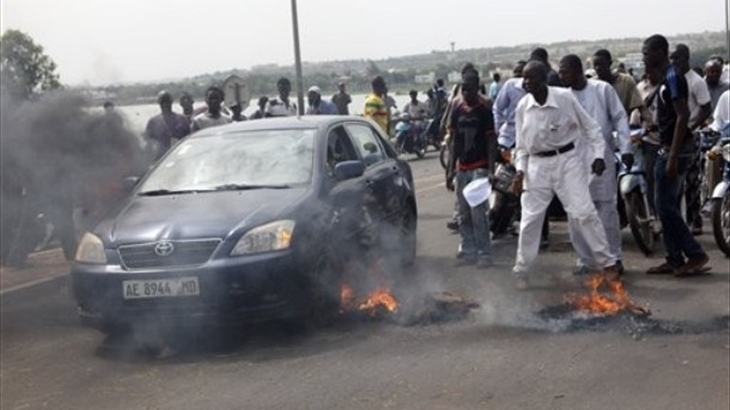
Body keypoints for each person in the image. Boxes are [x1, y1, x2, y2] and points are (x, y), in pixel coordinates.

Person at [510, 61, 618, 290]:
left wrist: (598, 155)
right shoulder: (522, 107)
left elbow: (591, 128)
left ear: (544, 79)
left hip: (567, 161)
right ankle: (522, 269)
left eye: (532, 78)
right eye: (525, 79)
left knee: (584, 213)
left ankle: (607, 263)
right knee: (530, 219)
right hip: (536, 166)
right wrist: (520, 171)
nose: (527, 83)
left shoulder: (565, 98)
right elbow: (520, 146)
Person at [559, 54, 632, 276]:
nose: (561, 76)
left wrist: (626, 148)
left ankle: (614, 257)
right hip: (572, 161)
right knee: (576, 212)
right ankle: (586, 260)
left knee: (606, 209)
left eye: (565, 71)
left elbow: (620, 118)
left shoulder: (602, 90)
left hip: (602, 158)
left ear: (578, 70)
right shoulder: (562, 97)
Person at [642, 34, 709, 276]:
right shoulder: (666, 79)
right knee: (666, 206)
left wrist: (672, 156)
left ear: (660, 52)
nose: (644, 56)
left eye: (647, 51)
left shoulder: (673, 77)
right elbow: (672, 117)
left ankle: (695, 254)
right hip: (669, 146)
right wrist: (656, 128)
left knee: (666, 207)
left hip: (675, 151)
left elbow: (682, 116)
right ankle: (674, 259)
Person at [445, 71, 496, 269]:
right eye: (463, 89)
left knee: (478, 213)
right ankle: (468, 251)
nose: (466, 93)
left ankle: (484, 253)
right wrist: (450, 170)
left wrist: (491, 169)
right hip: (463, 168)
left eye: (470, 89)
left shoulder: (484, 110)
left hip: (479, 168)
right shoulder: (457, 111)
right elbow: (454, 144)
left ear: (478, 89)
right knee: (463, 213)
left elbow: (491, 141)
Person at [670, 44, 712, 235]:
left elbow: (705, 108)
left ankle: (695, 221)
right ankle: (676, 221)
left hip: (691, 137)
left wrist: (691, 126)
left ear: (686, 58)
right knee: (674, 182)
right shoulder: (671, 78)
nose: (674, 62)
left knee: (692, 182)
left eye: (677, 58)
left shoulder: (696, 81)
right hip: (673, 135)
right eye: (672, 58)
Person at [592, 49, 644, 117]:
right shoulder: (592, 84)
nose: (597, 68)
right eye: (595, 65)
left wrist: (649, 121)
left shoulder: (625, 81)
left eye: (601, 64)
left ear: (610, 63)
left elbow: (639, 105)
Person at [144, 91, 191, 160]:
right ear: (159, 103)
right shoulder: (153, 122)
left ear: (171, 101)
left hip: (180, 158)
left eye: (167, 101)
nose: (165, 104)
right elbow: (148, 144)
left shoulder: (182, 119)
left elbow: (189, 139)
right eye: (163, 101)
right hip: (161, 160)